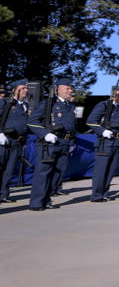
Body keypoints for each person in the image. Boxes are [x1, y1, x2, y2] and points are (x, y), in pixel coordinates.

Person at [28, 77, 79, 210]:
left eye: (70, 88)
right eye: (67, 88)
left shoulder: (70, 105)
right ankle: (36, 203)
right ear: (58, 90)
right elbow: (32, 121)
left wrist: (72, 140)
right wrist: (45, 134)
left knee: (57, 173)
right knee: (43, 172)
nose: (70, 90)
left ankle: (46, 200)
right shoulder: (48, 103)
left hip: (65, 142)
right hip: (50, 142)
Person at [87, 84, 119, 202]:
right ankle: (96, 195)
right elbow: (91, 121)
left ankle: (104, 193)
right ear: (114, 94)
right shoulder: (103, 105)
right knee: (101, 170)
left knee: (111, 170)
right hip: (105, 142)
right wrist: (103, 131)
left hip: (117, 142)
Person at [0, 80, 32, 203]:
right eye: (23, 88)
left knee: (9, 170)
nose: (26, 90)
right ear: (15, 90)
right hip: (5, 140)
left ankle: (4, 194)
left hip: (17, 142)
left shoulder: (24, 105)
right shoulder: (5, 102)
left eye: (26, 88)